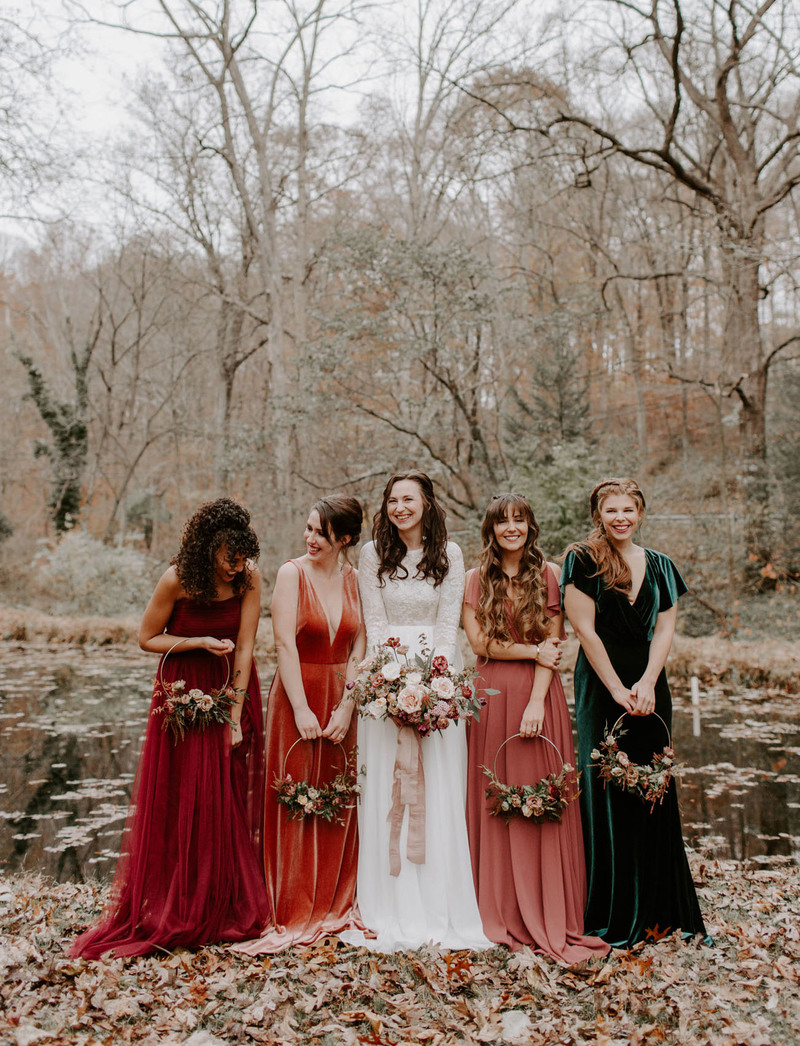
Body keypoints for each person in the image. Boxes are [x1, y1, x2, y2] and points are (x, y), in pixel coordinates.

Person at [72, 498, 269, 958]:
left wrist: (236, 715)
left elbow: (245, 648)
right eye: (228, 557)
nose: (235, 567)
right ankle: (179, 901)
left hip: (230, 689)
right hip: (183, 694)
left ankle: (223, 903)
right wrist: (195, 641)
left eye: (241, 557)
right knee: (187, 796)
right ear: (208, 548)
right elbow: (147, 638)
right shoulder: (177, 578)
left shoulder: (251, 576)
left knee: (227, 796)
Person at [341, 470, 490, 952]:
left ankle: (439, 900)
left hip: (437, 673)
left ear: (426, 502)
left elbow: (448, 624)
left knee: (439, 785)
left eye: (408, 498)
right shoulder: (371, 555)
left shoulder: (450, 555)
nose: (399, 507)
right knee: (387, 781)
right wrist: (389, 679)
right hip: (384, 675)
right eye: (392, 500)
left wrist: (435, 683)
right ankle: (388, 902)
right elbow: (375, 619)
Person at [561, 477, 709, 948]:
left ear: (640, 513)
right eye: (611, 511)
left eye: (628, 510)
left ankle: (662, 909)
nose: (620, 518)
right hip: (603, 685)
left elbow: (665, 631)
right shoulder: (581, 560)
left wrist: (646, 683)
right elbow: (584, 631)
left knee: (654, 790)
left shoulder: (662, 565)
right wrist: (618, 689)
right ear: (598, 516)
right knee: (607, 789)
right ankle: (612, 910)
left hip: (649, 686)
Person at [462, 494, 610, 960]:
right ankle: (499, 904)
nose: (512, 528)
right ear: (491, 529)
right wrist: (531, 652)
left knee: (544, 795)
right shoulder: (473, 578)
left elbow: (555, 638)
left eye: (520, 520)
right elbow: (479, 641)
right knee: (495, 797)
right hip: (490, 694)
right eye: (503, 521)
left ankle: (551, 906)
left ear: (530, 526)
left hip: (538, 697)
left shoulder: (549, 573)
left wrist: (537, 701)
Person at [235, 496, 366, 954]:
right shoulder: (292, 574)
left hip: (342, 696)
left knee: (337, 796)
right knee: (295, 795)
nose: (309, 538)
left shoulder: (356, 580)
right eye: (308, 529)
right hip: (298, 694)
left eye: (320, 533)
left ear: (344, 539)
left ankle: (335, 898)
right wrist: (302, 708)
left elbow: (359, 650)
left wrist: (348, 708)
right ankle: (290, 901)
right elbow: (284, 646)